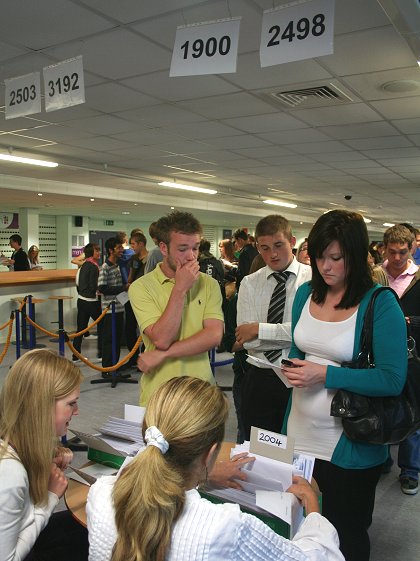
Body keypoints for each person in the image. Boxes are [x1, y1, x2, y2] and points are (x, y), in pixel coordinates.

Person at [86, 376, 344, 561]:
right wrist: (313, 510)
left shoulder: (101, 494)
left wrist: (202, 479)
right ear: (211, 453)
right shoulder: (224, 527)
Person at [281, 210, 407, 561]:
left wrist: (325, 375)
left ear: (355, 254)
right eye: (319, 256)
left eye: (335, 258)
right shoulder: (306, 293)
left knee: (345, 536)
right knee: (298, 528)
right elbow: (297, 349)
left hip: (349, 441)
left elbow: (392, 379)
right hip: (298, 432)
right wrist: (288, 368)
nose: (325, 266)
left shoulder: (379, 304)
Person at [0, 349, 88, 561]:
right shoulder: (10, 472)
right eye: (71, 403)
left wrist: (45, 459)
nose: (76, 411)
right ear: (43, 406)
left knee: (85, 527)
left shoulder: (11, 439)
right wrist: (50, 497)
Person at [129, 211, 224, 406]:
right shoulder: (141, 287)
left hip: (201, 393)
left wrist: (164, 354)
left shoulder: (210, 284)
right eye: (182, 249)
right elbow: (162, 339)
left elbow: (214, 336)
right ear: (164, 248)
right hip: (159, 396)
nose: (191, 257)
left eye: (195, 248)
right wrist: (180, 288)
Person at [236, 214, 311, 440]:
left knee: (297, 449)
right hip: (260, 375)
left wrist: (259, 328)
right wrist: (289, 332)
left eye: (279, 245)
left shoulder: (314, 281)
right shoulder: (250, 282)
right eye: (264, 248)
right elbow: (246, 339)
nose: (272, 254)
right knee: (258, 448)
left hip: (299, 375)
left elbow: (308, 334)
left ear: (293, 241)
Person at [382, 224, 420, 495]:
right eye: (392, 252)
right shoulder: (373, 276)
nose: (397, 258)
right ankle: (381, 460)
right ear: (384, 249)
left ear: (413, 249)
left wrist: (409, 321)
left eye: (402, 252)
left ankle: (410, 470)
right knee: (379, 409)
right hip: (379, 355)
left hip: (414, 355)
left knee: (414, 412)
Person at [98, 237, 130, 378]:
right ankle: (107, 369)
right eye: (118, 247)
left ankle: (115, 367)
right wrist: (122, 288)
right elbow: (102, 288)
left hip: (119, 308)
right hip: (109, 310)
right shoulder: (105, 268)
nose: (121, 250)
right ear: (111, 250)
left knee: (117, 339)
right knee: (109, 340)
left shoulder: (117, 265)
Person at [72, 243, 103, 363]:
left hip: (81, 300)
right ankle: (101, 353)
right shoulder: (94, 267)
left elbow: (78, 283)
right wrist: (99, 292)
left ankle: (75, 356)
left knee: (80, 329)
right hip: (91, 302)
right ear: (91, 252)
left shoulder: (83, 265)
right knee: (102, 326)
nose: (99, 252)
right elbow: (93, 286)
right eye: (97, 250)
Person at [125, 232, 149, 368]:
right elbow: (130, 277)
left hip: (145, 300)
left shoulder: (151, 258)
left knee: (145, 329)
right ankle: (132, 357)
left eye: (133, 244)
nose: (132, 247)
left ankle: (144, 357)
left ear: (141, 244)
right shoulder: (133, 259)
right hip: (132, 298)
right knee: (129, 328)